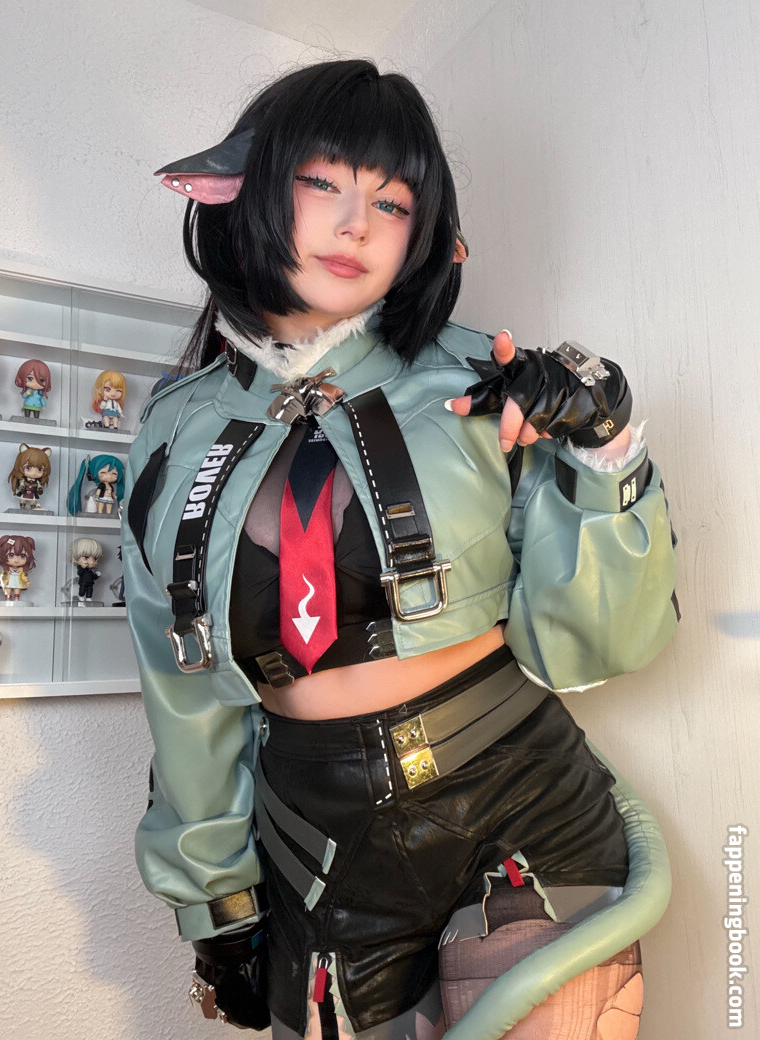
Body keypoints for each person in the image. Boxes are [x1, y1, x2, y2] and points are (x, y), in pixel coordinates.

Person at [122, 60, 679, 1040]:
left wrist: (603, 450)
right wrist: (215, 902)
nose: (357, 225)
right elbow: (182, 691)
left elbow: (596, 645)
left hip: (523, 810)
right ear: (245, 187)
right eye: (322, 182)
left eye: (391, 201)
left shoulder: (486, 382)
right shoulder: (173, 429)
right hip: (314, 846)